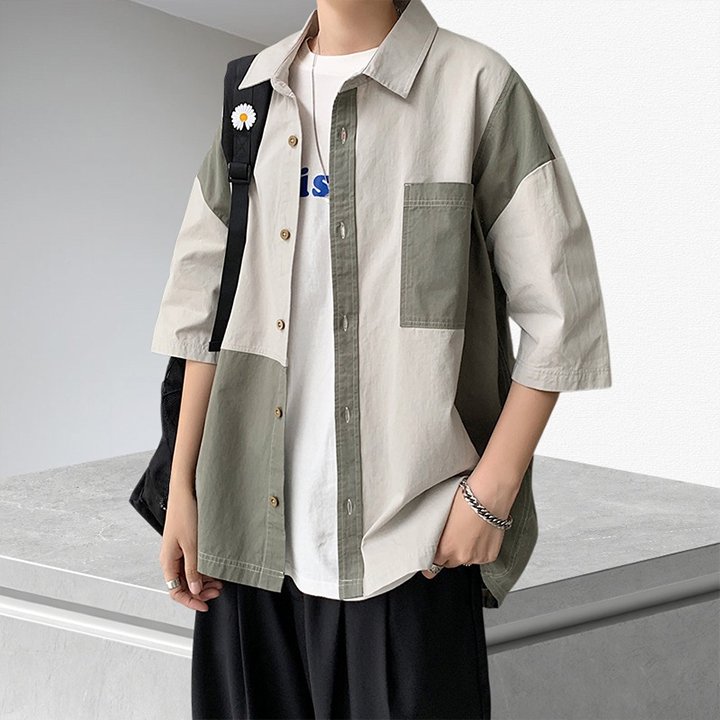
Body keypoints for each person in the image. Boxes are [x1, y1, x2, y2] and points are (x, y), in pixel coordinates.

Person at [152, 0, 612, 718]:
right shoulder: (252, 92)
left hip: (410, 547)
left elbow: (563, 313)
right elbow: (202, 312)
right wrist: (183, 488)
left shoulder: (477, 87)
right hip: (246, 542)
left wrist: (490, 495)